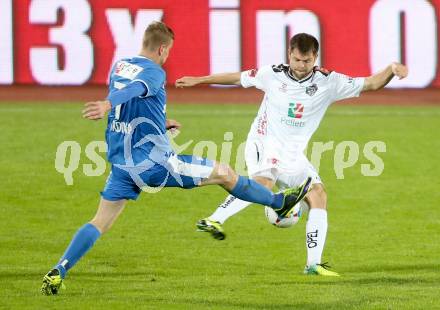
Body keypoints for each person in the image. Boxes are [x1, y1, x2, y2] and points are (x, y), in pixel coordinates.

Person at [40, 22, 311, 295]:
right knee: (225, 173)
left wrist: (158, 123)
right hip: (156, 165)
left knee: (99, 222)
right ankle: (279, 202)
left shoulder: (120, 66)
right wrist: (108, 103)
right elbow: (133, 91)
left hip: (122, 164)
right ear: (161, 48)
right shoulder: (154, 72)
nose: (167, 56)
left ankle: (58, 270)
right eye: (167, 52)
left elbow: (130, 105)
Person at [176, 33, 408, 276]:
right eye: (297, 60)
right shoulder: (271, 74)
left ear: (315, 57)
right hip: (264, 142)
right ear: (290, 55)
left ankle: (313, 264)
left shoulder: (329, 82)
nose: (301, 66)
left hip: (294, 153)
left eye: (307, 61)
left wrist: (392, 68)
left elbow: (371, 83)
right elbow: (237, 77)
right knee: (263, 183)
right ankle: (214, 219)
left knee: (318, 194)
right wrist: (200, 80)